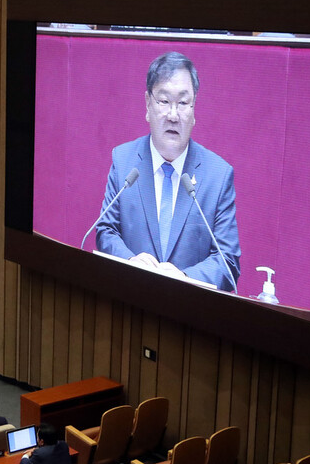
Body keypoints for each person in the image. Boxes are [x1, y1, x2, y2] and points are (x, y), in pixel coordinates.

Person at [96, 51, 240, 291]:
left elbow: (228, 260)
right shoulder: (123, 160)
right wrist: (129, 261)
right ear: (148, 104)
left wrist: (185, 278)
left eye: (183, 103)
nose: (173, 115)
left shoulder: (218, 175)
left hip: (188, 315)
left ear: (194, 110)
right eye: (164, 101)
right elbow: (105, 230)